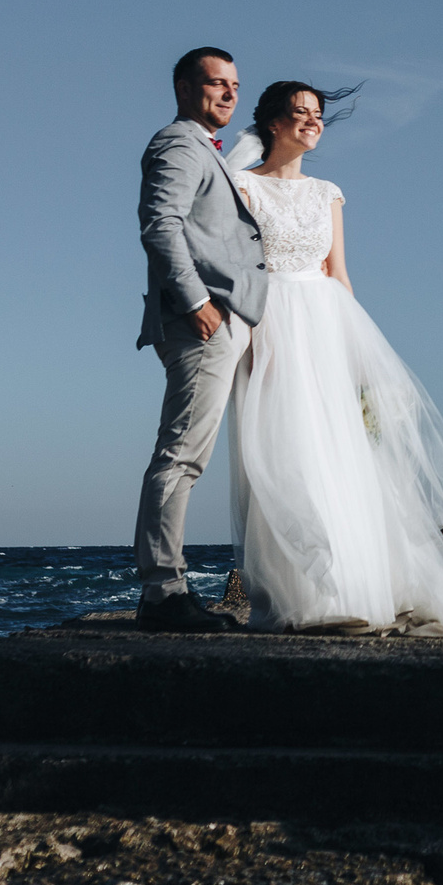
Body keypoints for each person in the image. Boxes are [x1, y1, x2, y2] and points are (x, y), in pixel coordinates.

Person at [222, 80, 443, 641]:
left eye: (318, 115)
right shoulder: (242, 188)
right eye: (299, 114)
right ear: (272, 122)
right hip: (271, 321)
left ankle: (356, 590)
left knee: (341, 455)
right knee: (285, 451)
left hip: (325, 325)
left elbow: (338, 275)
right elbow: (236, 269)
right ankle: (304, 595)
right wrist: (247, 338)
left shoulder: (328, 193)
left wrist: (360, 356)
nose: (312, 123)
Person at [130, 47, 265, 633]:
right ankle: (162, 594)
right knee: (181, 455)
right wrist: (199, 304)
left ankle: (168, 588)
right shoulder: (179, 144)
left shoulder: (205, 148)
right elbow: (160, 225)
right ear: (185, 89)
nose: (230, 93)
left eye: (235, 85)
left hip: (219, 319)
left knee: (190, 457)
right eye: (217, 84)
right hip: (200, 322)